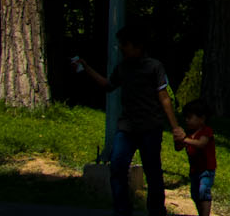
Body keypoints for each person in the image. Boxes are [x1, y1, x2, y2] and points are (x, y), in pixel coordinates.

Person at [76, 24, 186, 216]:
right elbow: (108, 85)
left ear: (138, 46)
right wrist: (86, 68)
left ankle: (156, 210)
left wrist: (175, 127)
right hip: (127, 127)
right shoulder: (123, 68)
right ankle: (122, 209)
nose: (121, 48)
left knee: (152, 171)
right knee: (117, 166)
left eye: (125, 44)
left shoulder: (154, 67)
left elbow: (164, 97)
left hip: (150, 127)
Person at [174, 99, 216, 216]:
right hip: (194, 170)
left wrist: (185, 139)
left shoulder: (206, 131)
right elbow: (178, 148)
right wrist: (178, 139)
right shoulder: (188, 133)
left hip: (206, 169)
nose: (186, 120)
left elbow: (201, 144)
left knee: (203, 191)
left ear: (202, 119)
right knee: (195, 194)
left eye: (190, 117)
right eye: (186, 118)